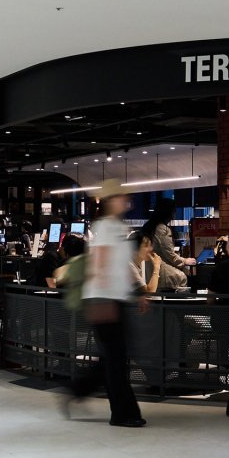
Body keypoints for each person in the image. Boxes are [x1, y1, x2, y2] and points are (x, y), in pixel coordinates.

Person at [67, 182, 145, 427]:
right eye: (120, 197)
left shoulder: (119, 228)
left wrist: (139, 291)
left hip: (115, 298)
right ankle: (122, 413)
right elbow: (99, 263)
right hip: (104, 299)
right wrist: (103, 298)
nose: (125, 201)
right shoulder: (104, 227)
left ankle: (79, 390)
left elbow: (123, 265)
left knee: (113, 357)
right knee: (115, 359)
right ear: (110, 200)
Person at [137, 197, 192, 291]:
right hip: (161, 270)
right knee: (182, 277)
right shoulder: (162, 229)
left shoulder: (150, 226)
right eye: (173, 211)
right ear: (169, 212)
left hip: (150, 270)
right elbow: (169, 254)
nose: (174, 214)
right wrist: (185, 261)